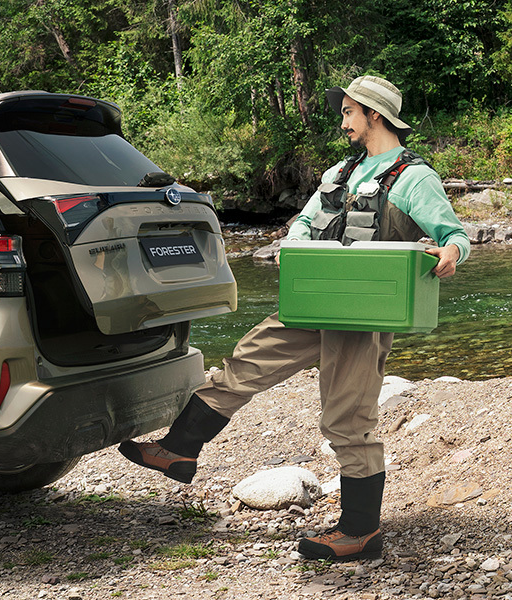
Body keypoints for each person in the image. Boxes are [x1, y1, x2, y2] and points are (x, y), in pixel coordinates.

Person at [119, 75, 471, 561]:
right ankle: (180, 449)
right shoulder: (337, 174)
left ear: (374, 115)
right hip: (316, 299)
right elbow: (304, 223)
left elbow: (454, 233)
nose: (343, 121)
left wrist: (451, 252)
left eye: (349, 112)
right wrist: (295, 244)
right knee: (246, 362)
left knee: (347, 419)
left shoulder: (415, 178)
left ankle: (361, 532)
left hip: (365, 312)